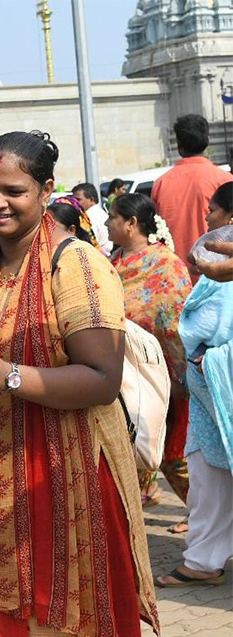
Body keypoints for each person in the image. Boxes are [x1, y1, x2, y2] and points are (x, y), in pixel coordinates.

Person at [0, 131, 159, 637]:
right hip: (3, 473)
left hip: (75, 472)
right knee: (37, 620)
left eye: (14, 190)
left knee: (97, 629)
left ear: (46, 192)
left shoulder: (74, 263)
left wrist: (7, 377)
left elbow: (101, 379)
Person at [107, 193, 192, 519]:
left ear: (131, 223)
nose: (106, 222)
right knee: (136, 446)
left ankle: (208, 522)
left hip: (165, 376)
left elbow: (176, 323)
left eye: (113, 216)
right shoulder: (111, 262)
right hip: (125, 376)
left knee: (174, 455)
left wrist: (182, 375)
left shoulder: (166, 265)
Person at [156, 255, 233, 588]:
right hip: (207, 398)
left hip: (217, 386)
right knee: (207, 479)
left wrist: (213, 358)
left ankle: (204, 559)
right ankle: (203, 559)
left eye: (214, 210)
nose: (207, 215)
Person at [151, 114, 232, 271]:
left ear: (179, 145)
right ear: (207, 141)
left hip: (175, 275)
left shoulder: (161, 184)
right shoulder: (224, 180)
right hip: (217, 275)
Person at [72, 181, 113, 255]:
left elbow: (89, 244)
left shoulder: (90, 217)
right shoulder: (100, 213)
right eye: (73, 199)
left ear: (91, 200)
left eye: (78, 199)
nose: (74, 202)